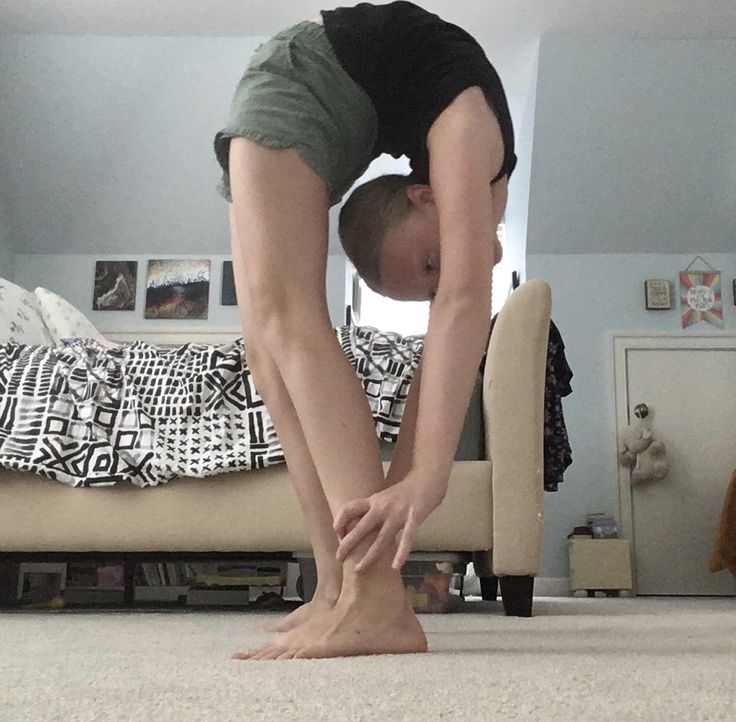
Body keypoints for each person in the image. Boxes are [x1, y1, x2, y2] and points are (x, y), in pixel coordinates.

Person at [213, 1, 516, 660]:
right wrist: (419, 482)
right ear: (422, 194)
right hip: (311, 73)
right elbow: (461, 305)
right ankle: (338, 585)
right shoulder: (470, 143)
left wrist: (423, 480)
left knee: (287, 317)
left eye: (428, 279)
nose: (445, 277)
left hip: (325, 91)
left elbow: (457, 311)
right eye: (430, 264)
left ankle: (371, 598)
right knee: (268, 353)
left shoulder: (465, 147)